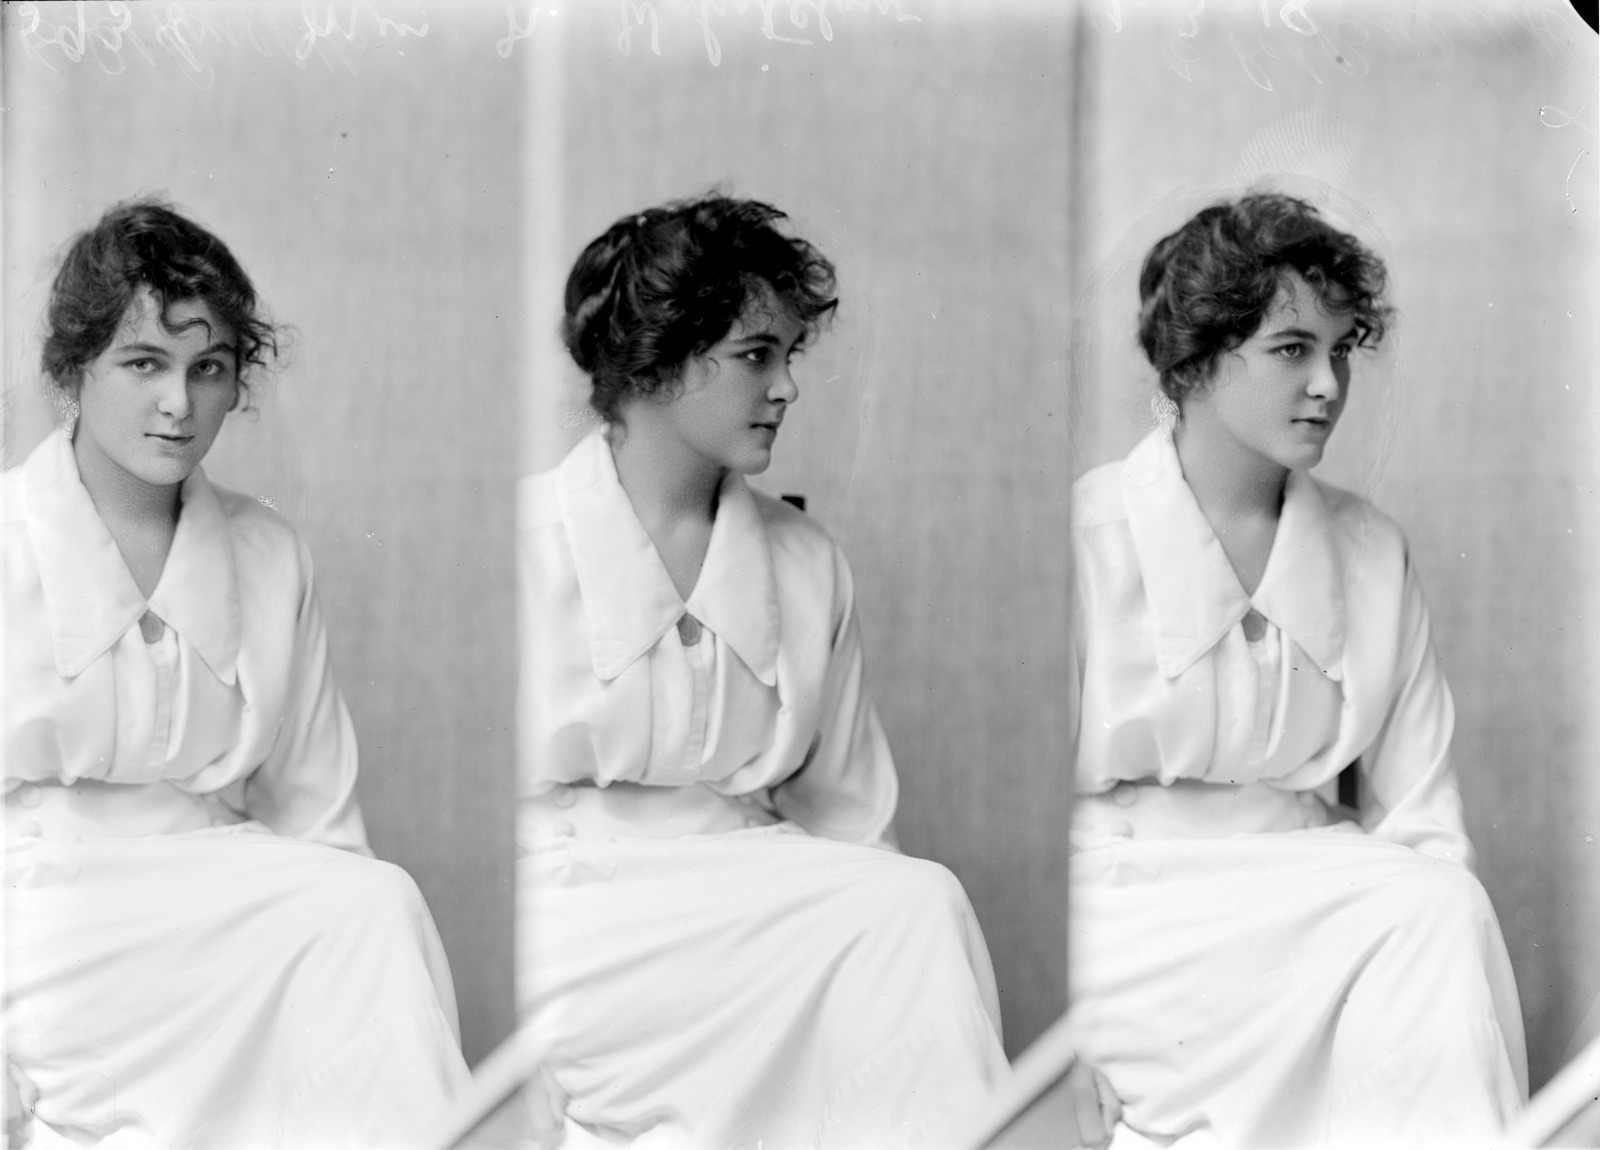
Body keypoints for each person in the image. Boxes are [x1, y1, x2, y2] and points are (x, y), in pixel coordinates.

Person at [517, 195, 1009, 1148]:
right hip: (574, 919)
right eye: (756, 355)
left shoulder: (806, 561)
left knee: (914, 904)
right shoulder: (522, 549)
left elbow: (853, 819)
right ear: (657, 359)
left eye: (790, 356)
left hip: (761, 897)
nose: (786, 387)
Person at [4, 200, 475, 1148]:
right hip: (45, 914)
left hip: (226, 892)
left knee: (375, 905)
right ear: (73, 374)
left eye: (207, 369)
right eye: (144, 364)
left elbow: (319, 815)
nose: (179, 402)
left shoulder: (270, 554)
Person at [1068, 191, 1527, 1146]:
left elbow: (1423, 821)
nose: (1327, 383)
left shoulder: (1370, 550)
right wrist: (1057, 1028)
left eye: (1342, 349)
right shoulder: (1084, 536)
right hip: (1131, 924)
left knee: (1438, 909)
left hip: (1325, 907)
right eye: (1291, 350)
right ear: (1195, 359)